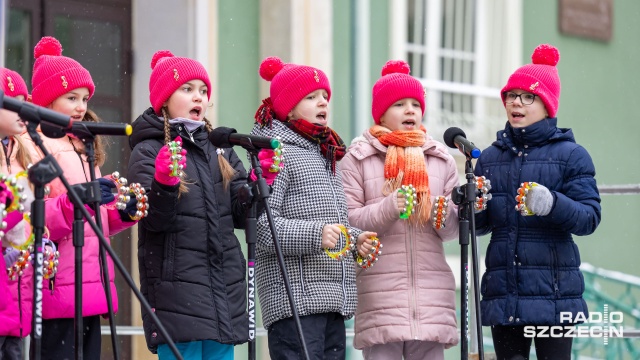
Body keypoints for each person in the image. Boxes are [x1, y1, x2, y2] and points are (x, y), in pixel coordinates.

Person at [127, 50, 276, 360]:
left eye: (203, 90)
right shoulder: (149, 149)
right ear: (165, 99)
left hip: (223, 289)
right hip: (178, 293)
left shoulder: (220, 148)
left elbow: (241, 215)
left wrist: (262, 182)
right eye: (187, 89)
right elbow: (152, 220)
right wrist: (165, 182)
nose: (199, 96)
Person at [474, 44, 601, 360]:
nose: (516, 102)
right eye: (511, 95)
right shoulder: (489, 158)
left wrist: (552, 203)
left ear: (547, 104)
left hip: (554, 297)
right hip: (505, 294)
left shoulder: (571, 155)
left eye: (527, 96)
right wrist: (473, 207)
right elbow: (480, 227)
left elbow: (589, 218)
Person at [251, 56, 376, 359]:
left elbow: (327, 223)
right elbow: (262, 228)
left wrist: (354, 238)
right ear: (288, 108)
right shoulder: (274, 153)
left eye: (325, 96)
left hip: (332, 299)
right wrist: (317, 235)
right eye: (311, 97)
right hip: (294, 303)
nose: (323, 103)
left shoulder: (325, 154)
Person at [24, 36, 139, 359]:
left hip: (89, 285)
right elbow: (34, 218)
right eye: (71, 97)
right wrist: (80, 201)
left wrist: (121, 212)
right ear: (46, 102)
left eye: (85, 98)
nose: (81, 107)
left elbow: (94, 220)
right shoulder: (32, 145)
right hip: (55, 285)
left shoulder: (84, 146)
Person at [340, 60, 460, 360]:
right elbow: (350, 223)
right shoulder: (358, 158)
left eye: (415, 104)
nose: (410, 110)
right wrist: (388, 208)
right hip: (381, 295)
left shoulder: (440, 159)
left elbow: (453, 231)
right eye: (399, 104)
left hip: (432, 296)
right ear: (380, 113)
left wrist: (438, 212)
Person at [0, 67, 36, 360]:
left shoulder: (22, 153)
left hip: (16, 292)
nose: (22, 110)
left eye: (25, 101)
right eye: (14, 103)